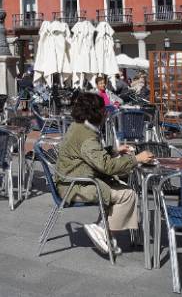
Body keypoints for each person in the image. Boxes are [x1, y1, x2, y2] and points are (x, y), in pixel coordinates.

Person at [55, 91, 153, 257]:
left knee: (120, 187)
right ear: (96, 112)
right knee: (127, 194)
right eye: (104, 110)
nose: (106, 113)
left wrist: (113, 150)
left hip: (70, 180)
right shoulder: (87, 136)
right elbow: (107, 166)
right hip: (74, 186)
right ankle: (104, 232)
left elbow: (90, 155)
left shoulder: (78, 126)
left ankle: (103, 228)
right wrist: (136, 159)